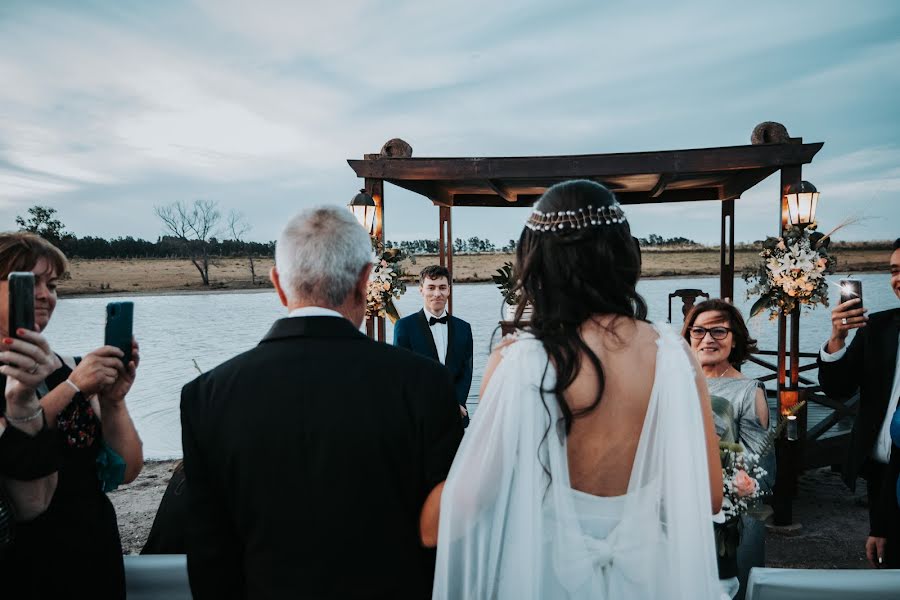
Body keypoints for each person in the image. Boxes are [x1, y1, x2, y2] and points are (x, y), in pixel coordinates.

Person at [424, 180, 723, 599]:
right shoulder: (674, 353)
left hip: (550, 573)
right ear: (622, 255)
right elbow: (707, 496)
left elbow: (469, 501)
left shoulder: (519, 358)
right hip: (651, 574)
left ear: (538, 262)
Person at [181, 207, 464, 600]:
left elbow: (210, 558)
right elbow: (446, 532)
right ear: (366, 282)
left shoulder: (206, 396)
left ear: (279, 285)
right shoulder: (423, 384)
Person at [0, 231, 143, 599]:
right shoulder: (74, 378)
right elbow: (14, 450)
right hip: (22, 553)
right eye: (29, 282)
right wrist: (73, 388)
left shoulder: (72, 367)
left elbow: (125, 471)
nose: (46, 295)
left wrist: (114, 401)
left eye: (52, 284)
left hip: (91, 546)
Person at [682, 299, 773, 600]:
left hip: (729, 517)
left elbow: (762, 464)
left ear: (734, 339)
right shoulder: (676, 384)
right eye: (699, 331)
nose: (708, 339)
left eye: (719, 331)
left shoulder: (749, 390)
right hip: (681, 510)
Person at [818, 238, 900, 568]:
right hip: (880, 475)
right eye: (895, 270)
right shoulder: (877, 327)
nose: (898, 279)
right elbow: (838, 388)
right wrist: (837, 337)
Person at [393, 265, 474, 427]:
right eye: (431, 287)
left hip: (455, 415)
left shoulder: (464, 328)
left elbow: (466, 372)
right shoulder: (404, 326)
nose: (437, 293)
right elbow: (402, 373)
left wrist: (455, 404)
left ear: (449, 290)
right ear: (421, 290)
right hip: (418, 417)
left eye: (442, 288)